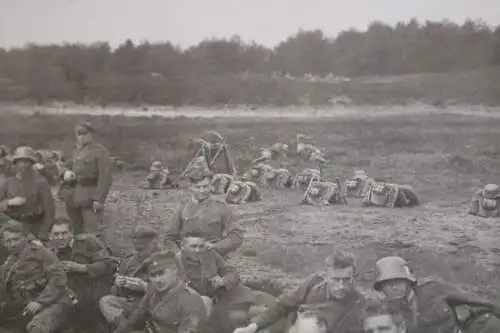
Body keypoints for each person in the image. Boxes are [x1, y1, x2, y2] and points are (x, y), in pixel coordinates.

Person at [233, 248, 365, 333]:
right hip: (289, 323)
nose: (341, 286)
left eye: (347, 280)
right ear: (326, 276)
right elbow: (284, 303)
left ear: (354, 277)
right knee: (238, 316)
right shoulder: (315, 282)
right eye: (336, 279)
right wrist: (253, 326)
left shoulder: (357, 304)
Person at [373, 256, 500, 333]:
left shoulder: (433, 290)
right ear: (382, 289)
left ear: (408, 281)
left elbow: (473, 301)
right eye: (387, 284)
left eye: (397, 281)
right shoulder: (386, 314)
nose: (393, 287)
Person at [179, 231, 269, 332]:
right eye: (193, 246)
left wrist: (223, 281)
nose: (198, 250)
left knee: (261, 304)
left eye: (201, 246)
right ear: (182, 246)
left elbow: (230, 271)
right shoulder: (176, 262)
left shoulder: (210, 254)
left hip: (222, 297)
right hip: (197, 305)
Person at [112, 251, 209, 333]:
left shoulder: (190, 300)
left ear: (175, 270)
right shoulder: (153, 293)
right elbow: (134, 321)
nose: (158, 280)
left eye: (162, 273)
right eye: (153, 275)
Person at [0, 221, 70, 333]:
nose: (13, 244)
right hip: (24, 307)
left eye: (16, 239)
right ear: (3, 243)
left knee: (36, 328)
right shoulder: (8, 264)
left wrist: (40, 302)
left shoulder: (41, 253)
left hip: (53, 303)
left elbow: (58, 277)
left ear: (25, 237)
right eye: (8, 241)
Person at [47, 219, 117, 331]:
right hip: (70, 295)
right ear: (50, 236)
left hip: (95, 290)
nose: (60, 237)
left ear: (71, 233)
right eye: (56, 234)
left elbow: (108, 265)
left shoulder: (88, 242)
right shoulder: (51, 253)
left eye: (64, 233)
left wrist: (82, 268)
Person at [165, 167, 243, 258]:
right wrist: (178, 253)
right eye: (197, 187)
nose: (202, 191)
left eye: (205, 186)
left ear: (211, 186)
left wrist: (215, 246)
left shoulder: (221, 207)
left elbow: (236, 237)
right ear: (190, 187)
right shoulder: (182, 207)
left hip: (213, 256)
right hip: (186, 256)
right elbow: (169, 237)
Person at [99, 225, 162, 326]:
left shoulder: (164, 260)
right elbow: (115, 292)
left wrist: (145, 287)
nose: (137, 252)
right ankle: (129, 326)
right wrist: (118, 284)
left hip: (154, 304)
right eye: (136, 248)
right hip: (133, 304)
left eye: (142, 248)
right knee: (106, 301)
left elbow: (172, 290)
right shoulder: (129, 261)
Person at [59, 122, 113, 236]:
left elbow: (105, 177)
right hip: (72, 197)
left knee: (92, 232)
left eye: (84, 134)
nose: (81, 137)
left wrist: (99, 199)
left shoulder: (100, 151)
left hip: (89, 197)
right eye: (78, 134)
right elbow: (63, 165)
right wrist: (65, 172)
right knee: (75, 230)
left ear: (91, 135)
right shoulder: (75, 151)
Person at [0, 146, 55, 240]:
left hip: (34, 226)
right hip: (12, 227)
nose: (23, 165)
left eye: (27, 162)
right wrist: (9, 202)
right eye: (20, 161)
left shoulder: (40, 182)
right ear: (15, 163)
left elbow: (49, 210)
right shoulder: (8, 182)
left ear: (32, 163)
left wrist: (43, 232)